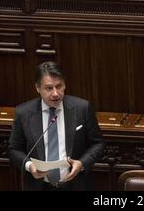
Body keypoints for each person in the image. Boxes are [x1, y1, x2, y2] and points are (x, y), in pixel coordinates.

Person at [8, 62, 105, 191]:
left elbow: (98, 144)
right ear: (38, 88)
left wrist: (81, 163)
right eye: (49, 88)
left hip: (74, 185)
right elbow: (13, 149)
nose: (55, 93)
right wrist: (29, 165)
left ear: (64, 85)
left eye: (59, 86)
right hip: (39, 186)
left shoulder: (82, 108)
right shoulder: (24, 112)